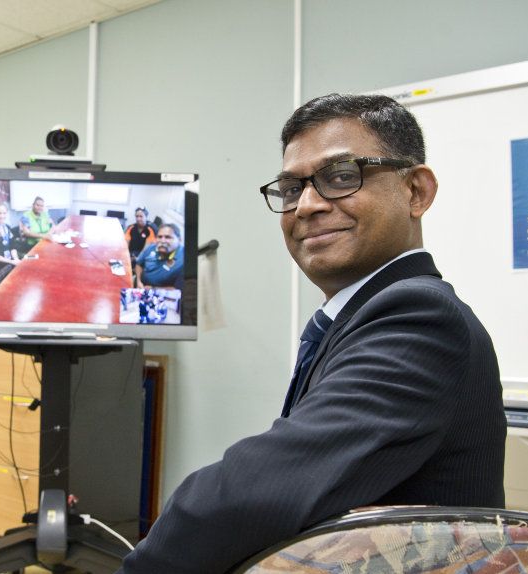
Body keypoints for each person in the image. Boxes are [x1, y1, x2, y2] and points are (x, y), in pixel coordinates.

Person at [118, 94, 506, 574]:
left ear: (416, 191)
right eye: (290, 188)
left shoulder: (419, 316)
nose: (306, 206)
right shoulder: (358, 316)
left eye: (341, 176)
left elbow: (255, 493)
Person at [134, 223, 184, 288]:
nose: (162, 241)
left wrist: (153, 289)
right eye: (159, 237)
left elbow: (178, 290)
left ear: (179, 240)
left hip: (162, 294)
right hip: (140, 285)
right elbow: (139, 264)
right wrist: (138, 281)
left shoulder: (183, 259)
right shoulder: (151, 247)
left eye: (168, 237)